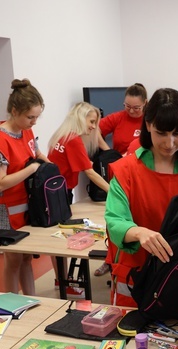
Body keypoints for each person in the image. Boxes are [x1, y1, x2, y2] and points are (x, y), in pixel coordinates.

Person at [104, 88, 178, 308]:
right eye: (162, 133)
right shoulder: (126, 171)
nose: (170, 142)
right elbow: (115, 220)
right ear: (147, 125)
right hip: (134, 281)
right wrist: (139, 232)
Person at [0, 78, 49, 295]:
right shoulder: (0, 140)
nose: (34, 122)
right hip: (7, 211)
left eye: (37, 117)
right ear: (14, 111)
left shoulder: (25, 130)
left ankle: (31, 299)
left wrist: (51, 169)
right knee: (13, 260)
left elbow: (36, 153)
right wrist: (33, 169)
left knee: (26, 257)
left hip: (27, 205)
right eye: (30, 117)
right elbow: (0, 181)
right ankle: (12, 301)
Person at [47, 102, 108, 294]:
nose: (93, 127)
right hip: (60, 193)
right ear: (81, 119)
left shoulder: (62, 136)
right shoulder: (73, 140)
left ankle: (61, 280)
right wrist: (115, 192)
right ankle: (64, 282)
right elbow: (90, 173)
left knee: (60, 236)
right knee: (62, 240)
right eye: (91, 122)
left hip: (53, 191)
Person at [95, 83, 148, 277]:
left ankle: (137, 263)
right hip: (121, 175)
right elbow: (93, 129)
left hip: (142, 176)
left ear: (145, 104)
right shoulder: (118, 117)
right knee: (115, 221)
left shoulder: (151, 121)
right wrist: (109, 152)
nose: (131, 111)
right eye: (127, 106)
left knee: (137, 221)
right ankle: (110, 260)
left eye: (136, 108)